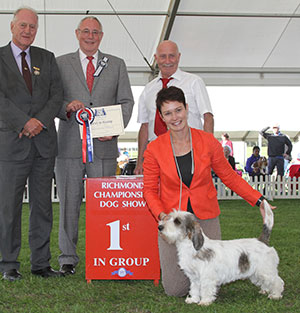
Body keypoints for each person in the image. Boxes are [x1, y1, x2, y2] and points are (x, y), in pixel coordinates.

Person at [143, 86, 272, 297]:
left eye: (178, 110)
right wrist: (162, 215)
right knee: (175, 290)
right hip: (173, 221)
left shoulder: (208, 142)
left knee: (210, 275)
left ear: (186, 109)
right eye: (168, 113)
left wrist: (259, 201)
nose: (175, 117)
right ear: (161, 117)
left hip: (205, 217)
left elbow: (229, 176)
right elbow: (148, 190)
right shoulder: (154, 149)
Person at [55, 16, 134, 275]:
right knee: (68, 203)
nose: (90, 36)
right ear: (77, 33)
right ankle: (68, 258)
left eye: (95, 32)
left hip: (104, 148)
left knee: (105, 205)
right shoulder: (60, 63)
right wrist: (66, 108)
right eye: (86, 31)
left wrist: (111, 130)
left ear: (102, 36)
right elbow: (51, 101)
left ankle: (104, 254)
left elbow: (126, 102)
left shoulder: (117, 64)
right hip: (68, 147)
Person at [0, 7, 64, 281]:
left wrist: (39, 120)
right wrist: (24, 122)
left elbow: (56, 94)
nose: (28, 31)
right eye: (23, 26)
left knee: (42, 206)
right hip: (11, 144)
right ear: (12, 26)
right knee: (8, 208)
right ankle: (9, 264)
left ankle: (40, 263)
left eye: (33, 27)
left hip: (44, 144)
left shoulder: (47, 58)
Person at [134, 40, 214, 174]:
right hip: (157, 155)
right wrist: (139, 161)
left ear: (179, 57)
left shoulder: (194, 82)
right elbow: (144, 126)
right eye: (163, 56)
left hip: (190, 152)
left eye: (171, 56)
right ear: (156, 58)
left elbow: (208, 117)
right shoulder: (148, 89)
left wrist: (207, 151)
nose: (167, 60)